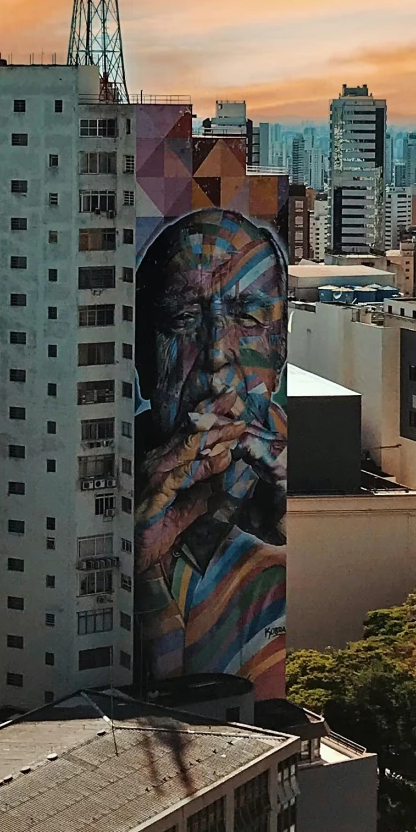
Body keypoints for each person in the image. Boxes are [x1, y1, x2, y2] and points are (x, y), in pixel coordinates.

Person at [134, 209, 288, 694]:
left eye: (247, 318)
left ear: (280, 348)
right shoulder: (102, 485)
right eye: (183, 318)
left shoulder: (300, 483)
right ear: (141, 352)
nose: (216, 352)